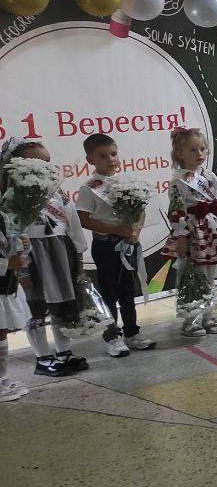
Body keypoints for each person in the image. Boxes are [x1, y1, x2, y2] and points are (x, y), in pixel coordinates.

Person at [2, 138, 91, 376]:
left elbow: (72, 221)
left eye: (47, 161)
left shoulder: (56, 192)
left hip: (59, 251)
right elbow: (11, 231)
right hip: (31, 256)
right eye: (36, 162)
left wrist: (78, 254)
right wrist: (22, 267)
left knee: (61, 304)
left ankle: (64, 352)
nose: (45, 167)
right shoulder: (11, 196)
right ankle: (42, 358)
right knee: (37, 306)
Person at [76, 133, 155, 357]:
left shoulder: (127, 183)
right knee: (109, 292)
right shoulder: (89, 188)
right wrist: (117, 230)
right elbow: (84, 220)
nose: (110, 160)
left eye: (113, 154)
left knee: (128, 291)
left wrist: (135, 231)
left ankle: (132, 333)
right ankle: (112, 336)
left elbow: (140, 212)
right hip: (106, 245)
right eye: (102, 156)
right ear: (90, 160)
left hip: (127, 243)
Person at [162, 128, 217, 336]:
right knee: (192, 275)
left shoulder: (209, 176)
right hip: (193, 232)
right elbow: (176, 211)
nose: (199, 154)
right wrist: (182, 237)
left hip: (212, 230)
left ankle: (208, 315)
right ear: (180, 154)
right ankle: (190, 319)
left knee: (210, 275)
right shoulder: (178, 180)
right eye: (193, 150)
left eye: (203, 149)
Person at [0, 224, 30, 401]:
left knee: (1, 332)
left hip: (6, 283)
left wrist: (24, 246)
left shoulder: (5, 216)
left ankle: (2, 377)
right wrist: (7, 264)